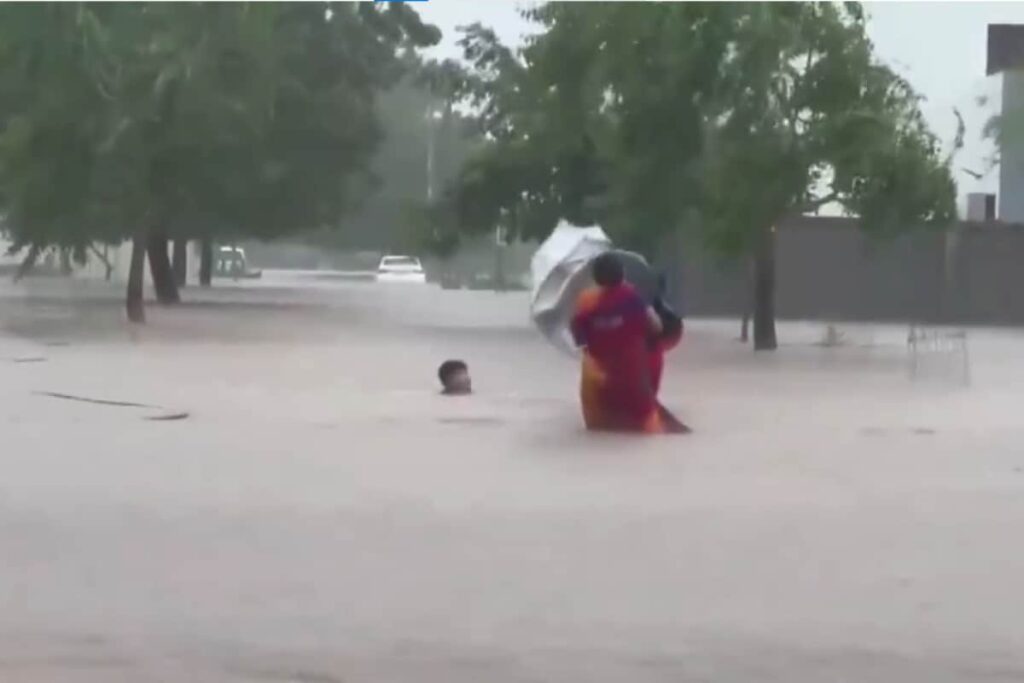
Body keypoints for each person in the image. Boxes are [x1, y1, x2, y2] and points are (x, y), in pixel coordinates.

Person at [570, 252, 666, 433]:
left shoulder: (586, 301)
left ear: (596, 278)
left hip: (599, 379)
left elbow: (577, 333)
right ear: (621, 273)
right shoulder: (633, 298)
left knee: (600, 429)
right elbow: (656, 328)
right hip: (631, 374)